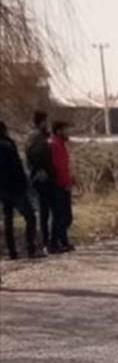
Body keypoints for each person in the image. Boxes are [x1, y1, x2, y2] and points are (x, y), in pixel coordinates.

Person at [1, 121, 42, 260]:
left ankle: (12, 251)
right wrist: (24, 184)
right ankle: (30, 248)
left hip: (2, 189)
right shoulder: (8, 144)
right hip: (15, 187)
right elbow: (16, 166)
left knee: (8, 219)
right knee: (30, 217)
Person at [24, 111, 55, 251]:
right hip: (42, 176)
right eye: (45, 121)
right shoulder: (37, 137)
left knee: (46, 209)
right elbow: (37, 156)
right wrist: (42, 170)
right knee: (45, 210)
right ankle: (45, 241)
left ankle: (47, 240)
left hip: (41, 175)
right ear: (42, 121)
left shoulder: (38, 136)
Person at [47, 121, 75, 253]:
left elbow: (65, 165)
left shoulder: (61, 144)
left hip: (64, 183)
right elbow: (58, 167)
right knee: (60, 216)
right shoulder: (54, 145)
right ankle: (54, 243)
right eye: (66, 130)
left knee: (65, 216)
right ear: (59, 131)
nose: (68, 133)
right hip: (58, 185)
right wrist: (65, 183)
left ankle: (63, 242)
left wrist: (71, 179)